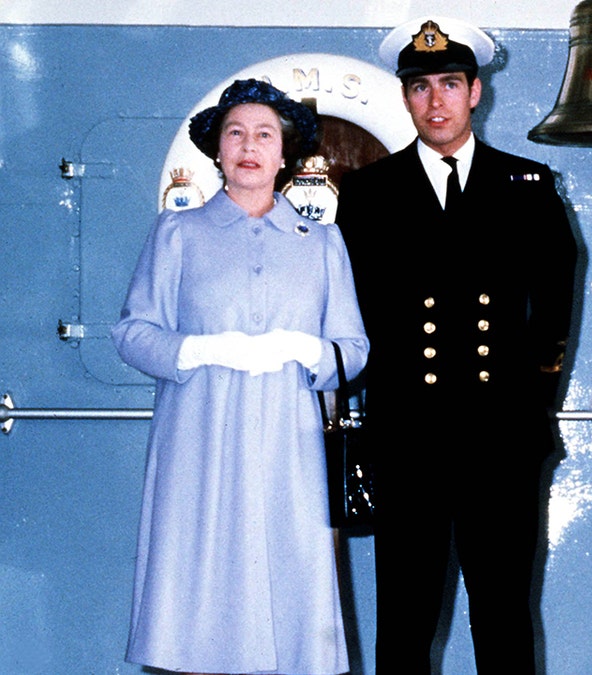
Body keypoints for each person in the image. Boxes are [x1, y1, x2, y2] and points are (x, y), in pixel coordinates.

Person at [334, 17, 578, 673]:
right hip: (408, 440)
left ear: (476, 92)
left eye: (449, 84)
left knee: (502, 620)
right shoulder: (366, 194)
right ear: (405, 97)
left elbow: (553, 308)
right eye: (419, 87)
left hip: (502, 442)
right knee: (405, 626)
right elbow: (347, 314)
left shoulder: (525, 187)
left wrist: (528, 404)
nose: (435, 101)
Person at [113, 78, 368, 675]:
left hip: (291, 447)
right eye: (235, 133)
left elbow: (352, 350)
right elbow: (132, 332)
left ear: (284, 155)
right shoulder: (177, 233)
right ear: (218, 150)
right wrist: (198, 350)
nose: (248, 146)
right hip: (198, 440)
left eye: (263, 134)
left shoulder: (323, 243)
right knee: (198, 596)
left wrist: (311, 350)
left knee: (289, 586)